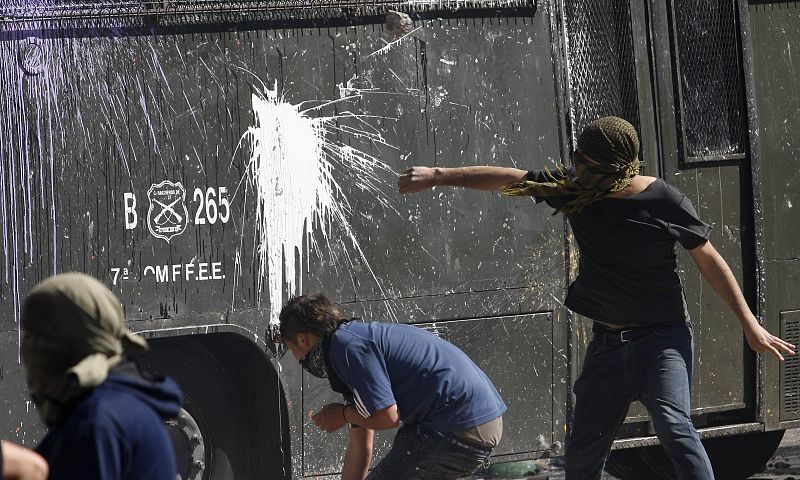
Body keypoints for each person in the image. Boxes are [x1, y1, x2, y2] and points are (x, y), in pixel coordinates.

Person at [398, 116, 796, 480]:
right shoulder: (576, 189)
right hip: (607, 346)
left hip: (662, 341)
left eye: (588, 165)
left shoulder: (663, 201)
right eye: (578, 161)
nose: (579, 171)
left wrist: (750, 323)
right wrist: (437, 175)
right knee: (584, 450)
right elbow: (509, 179)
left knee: (673, 424)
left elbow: (710, 261)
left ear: (616, 169)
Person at [279, 293, 507, 480]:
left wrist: (342, 415)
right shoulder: (348, 351)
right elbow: (360, 450)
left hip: (457, 425)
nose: (299, 360)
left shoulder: (347, 348)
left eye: (293, 351)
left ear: (302, 340)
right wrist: (347, 414)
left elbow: (388, 418)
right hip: (471, 424)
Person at [20, 273, 183, 480]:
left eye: (31, 339)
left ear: (59, 347)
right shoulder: (122, 403)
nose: (26, 353)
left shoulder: (97, 421)